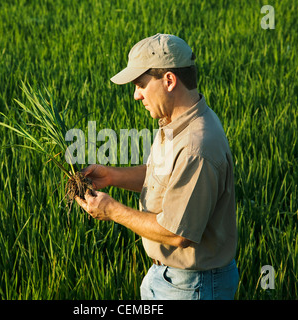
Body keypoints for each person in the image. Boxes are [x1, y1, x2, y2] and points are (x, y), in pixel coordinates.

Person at [75, 33, 239, 300]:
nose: (136, 95)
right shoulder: (176, 122)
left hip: (192, 287)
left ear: (169, 80)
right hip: (168, 278)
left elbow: (176, 233)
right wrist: (112, 176)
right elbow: (163, 176)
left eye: (140, 84)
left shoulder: (197, 148)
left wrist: (112, 210)